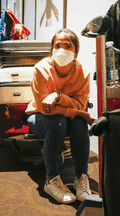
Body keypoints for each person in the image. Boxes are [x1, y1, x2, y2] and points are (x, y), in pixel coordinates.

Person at [25, 29, 95, 204]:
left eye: (67, 45)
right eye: (57, 45)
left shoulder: (83, 72)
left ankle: (81, 177)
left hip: (63, 116)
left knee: (79, 122)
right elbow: (45, 108)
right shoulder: (41, 69)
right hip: (38, 116)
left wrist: (58, 97)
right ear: (51, 50)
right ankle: (51, 179)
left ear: (76, 52)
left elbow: (80, 105)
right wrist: (76, 110)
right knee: (58, 122)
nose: (62, 50)